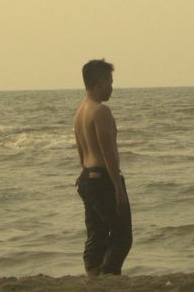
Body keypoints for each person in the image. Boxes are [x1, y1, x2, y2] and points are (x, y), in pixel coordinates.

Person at [74, 59, 132, 276]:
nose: (112, 88)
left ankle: (93, 274)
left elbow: (81, 151)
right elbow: (108, 152)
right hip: (104, 179)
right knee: (122, 235)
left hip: (87, 177)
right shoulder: (101, 111)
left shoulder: (80, 112)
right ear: (100, 82)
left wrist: (85, 177)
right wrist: (118, 187)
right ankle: (108, 276)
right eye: (110, 82)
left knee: (96, 233)